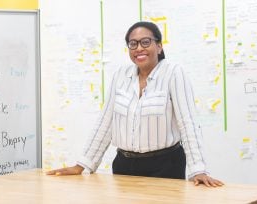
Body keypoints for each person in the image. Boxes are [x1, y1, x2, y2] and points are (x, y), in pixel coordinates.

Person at [47, 21, 223, 187]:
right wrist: (82, 165)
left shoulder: (173, 73)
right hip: (125, 165)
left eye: (146, 42)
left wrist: (197, 170)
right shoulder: (120, 75)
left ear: (159, 46)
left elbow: (188, 123)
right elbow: (106, 123)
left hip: (165, 165)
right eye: (133, 44)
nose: (139, 48)